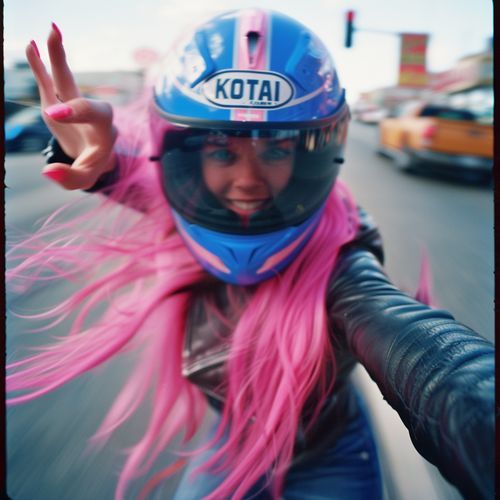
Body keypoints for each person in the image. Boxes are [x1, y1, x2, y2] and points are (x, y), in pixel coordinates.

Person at [7, 9, 494, 500]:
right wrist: (96, 162)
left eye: (275, 150)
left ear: (310, 157)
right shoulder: (182, 205)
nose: (247, 180)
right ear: (189, 162)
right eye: (221, 151)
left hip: (330, 455)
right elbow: (138, 182)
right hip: (229, 444)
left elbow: (423, 350)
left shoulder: (344, 266)